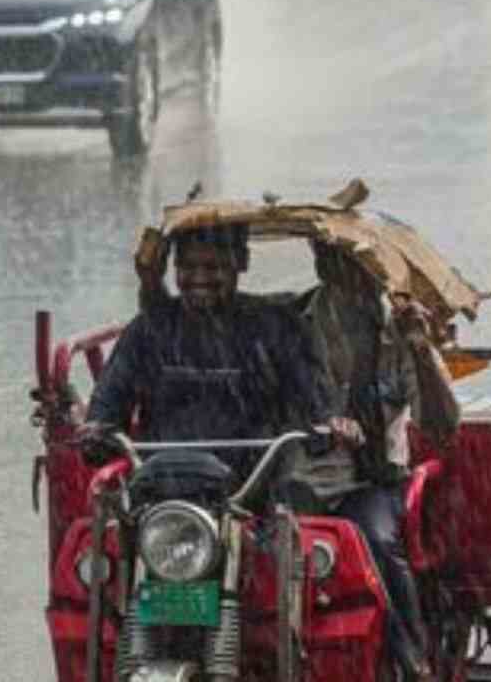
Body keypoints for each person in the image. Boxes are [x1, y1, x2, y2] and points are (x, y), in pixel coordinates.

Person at [78, 224, 354, 461]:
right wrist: (96, 430)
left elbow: (315, 403)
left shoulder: (277, 326)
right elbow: (107, 405)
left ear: (241, 262)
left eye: (213, 267)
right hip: (163, 494)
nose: (199, 279)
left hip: (255, 491)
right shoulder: (149, 329)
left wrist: (332, 424)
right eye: (187, 267)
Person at [293, 241, 436, 680]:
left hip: (375, 482)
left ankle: (410, 654)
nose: (356, 280)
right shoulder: (292, 324)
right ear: (322, 265)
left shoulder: (400, 329)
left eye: (366, 269)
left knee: (370, 539)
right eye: (341, 264)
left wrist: (424, 352)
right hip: (305, 477)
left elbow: (441, 421)